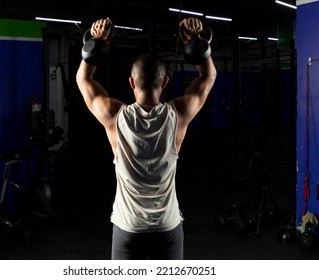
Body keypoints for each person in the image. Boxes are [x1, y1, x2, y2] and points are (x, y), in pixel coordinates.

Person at [76, 17, 216, 260]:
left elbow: (83, 80)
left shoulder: (114, 116)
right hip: (167, 228)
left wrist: (96, 42)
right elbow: (208, 78)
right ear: (164, 82)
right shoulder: (178, 115)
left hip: (128, 227)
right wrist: (197, 41)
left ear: (131, 82)